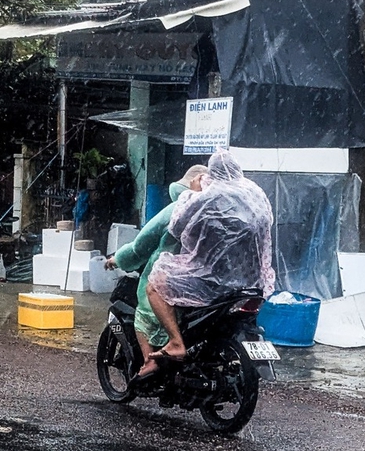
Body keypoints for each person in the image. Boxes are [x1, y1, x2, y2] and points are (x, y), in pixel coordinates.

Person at [138, 148, 274, 377]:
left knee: (155, 284)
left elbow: (177, 227)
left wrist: (192, 194)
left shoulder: (208, 196)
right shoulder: (255, 192)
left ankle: (175, 342)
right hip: (250, 281)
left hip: (211, 279)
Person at [107, 164, 205, 358]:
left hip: (173, 278)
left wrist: (118, 259)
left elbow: (141, 245)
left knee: (145, 311)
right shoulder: (216, 213)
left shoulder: (177, 210)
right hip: (204, 283)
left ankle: (148, 361)